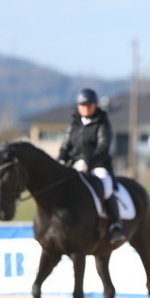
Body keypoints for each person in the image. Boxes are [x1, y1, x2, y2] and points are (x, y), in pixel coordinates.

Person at [57, 88, 126, 246]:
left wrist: (87, 162)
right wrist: (61, 160)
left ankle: (116, 225)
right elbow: (65, 146)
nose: (86, 108)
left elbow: (103, 148)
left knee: (106, 186)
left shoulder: (102, 122)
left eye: (89, 105)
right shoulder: (74, 123)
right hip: (74, 166)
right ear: (78, 106)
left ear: (95, 106)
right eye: (83, 105)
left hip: (98, 166)